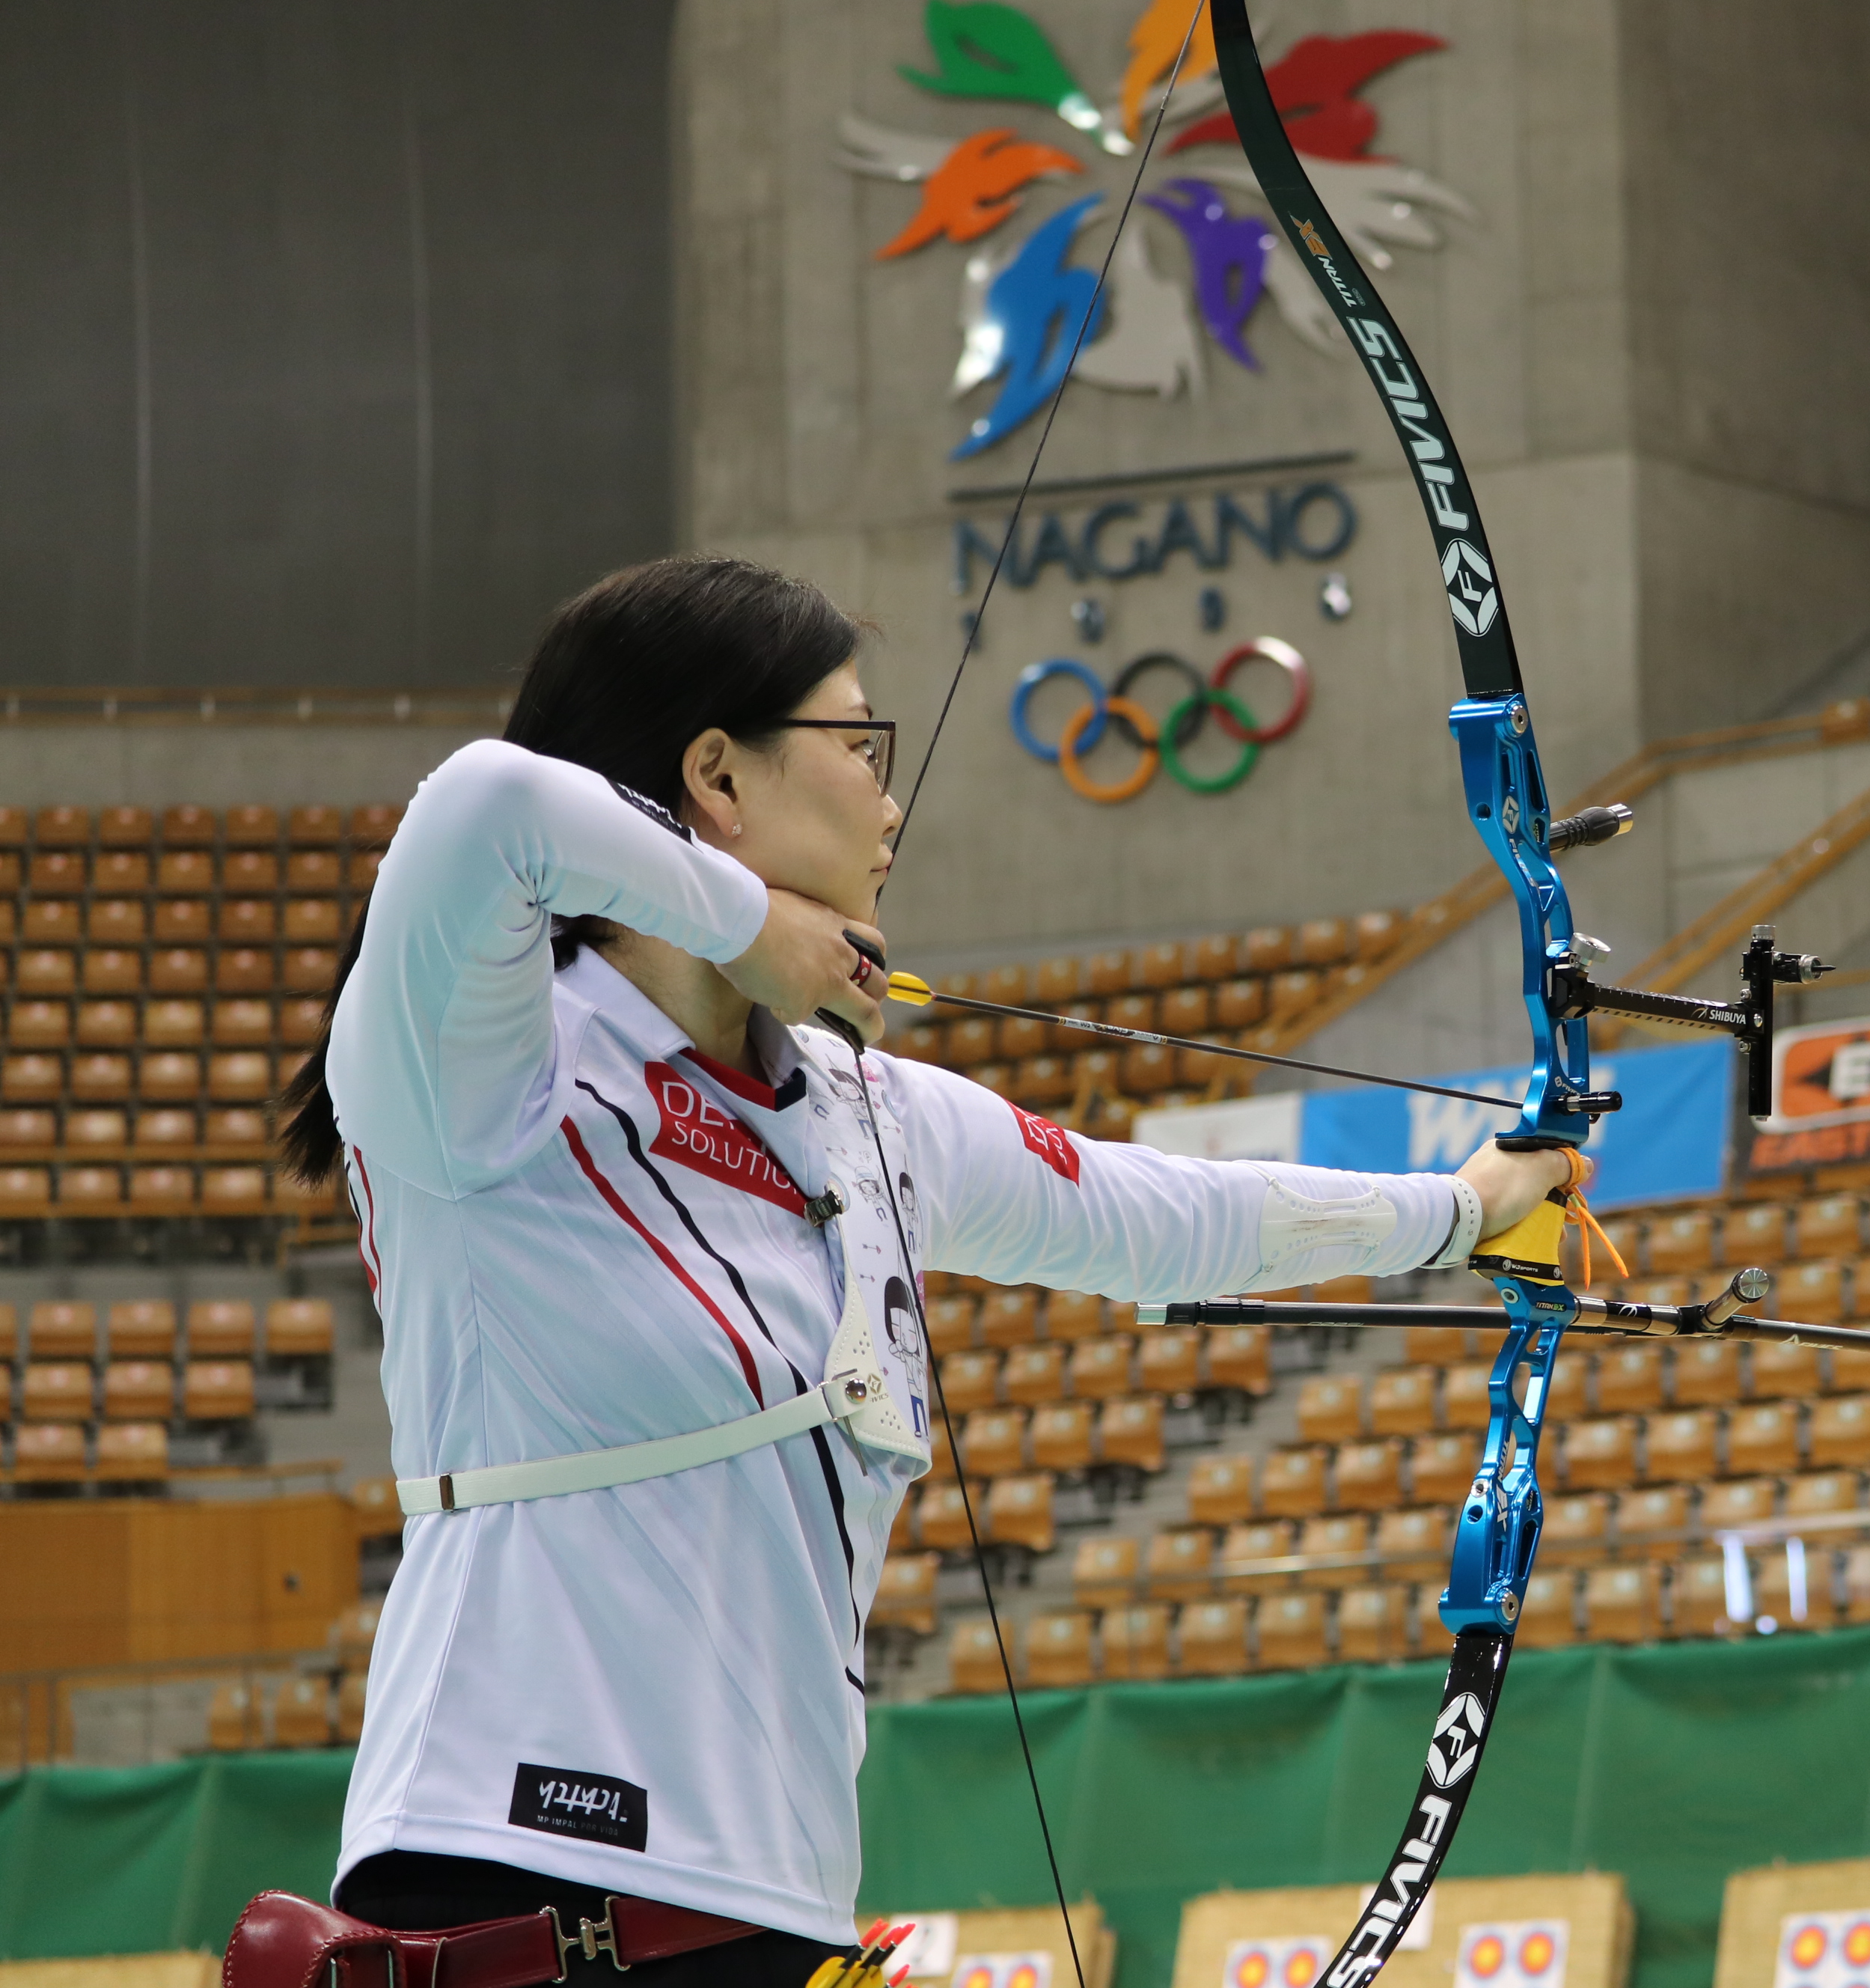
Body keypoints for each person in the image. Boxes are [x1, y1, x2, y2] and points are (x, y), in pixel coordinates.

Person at [268, 555, 1576, 1985]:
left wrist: (1460, 1209)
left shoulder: (864, 1114)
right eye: (855, 745)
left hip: (768, 1910)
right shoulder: (484, 1068)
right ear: (718, 772)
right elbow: (483, 803)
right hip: (508, 1884)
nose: (891, 802)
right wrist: (749, 922)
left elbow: (1169, 1212)